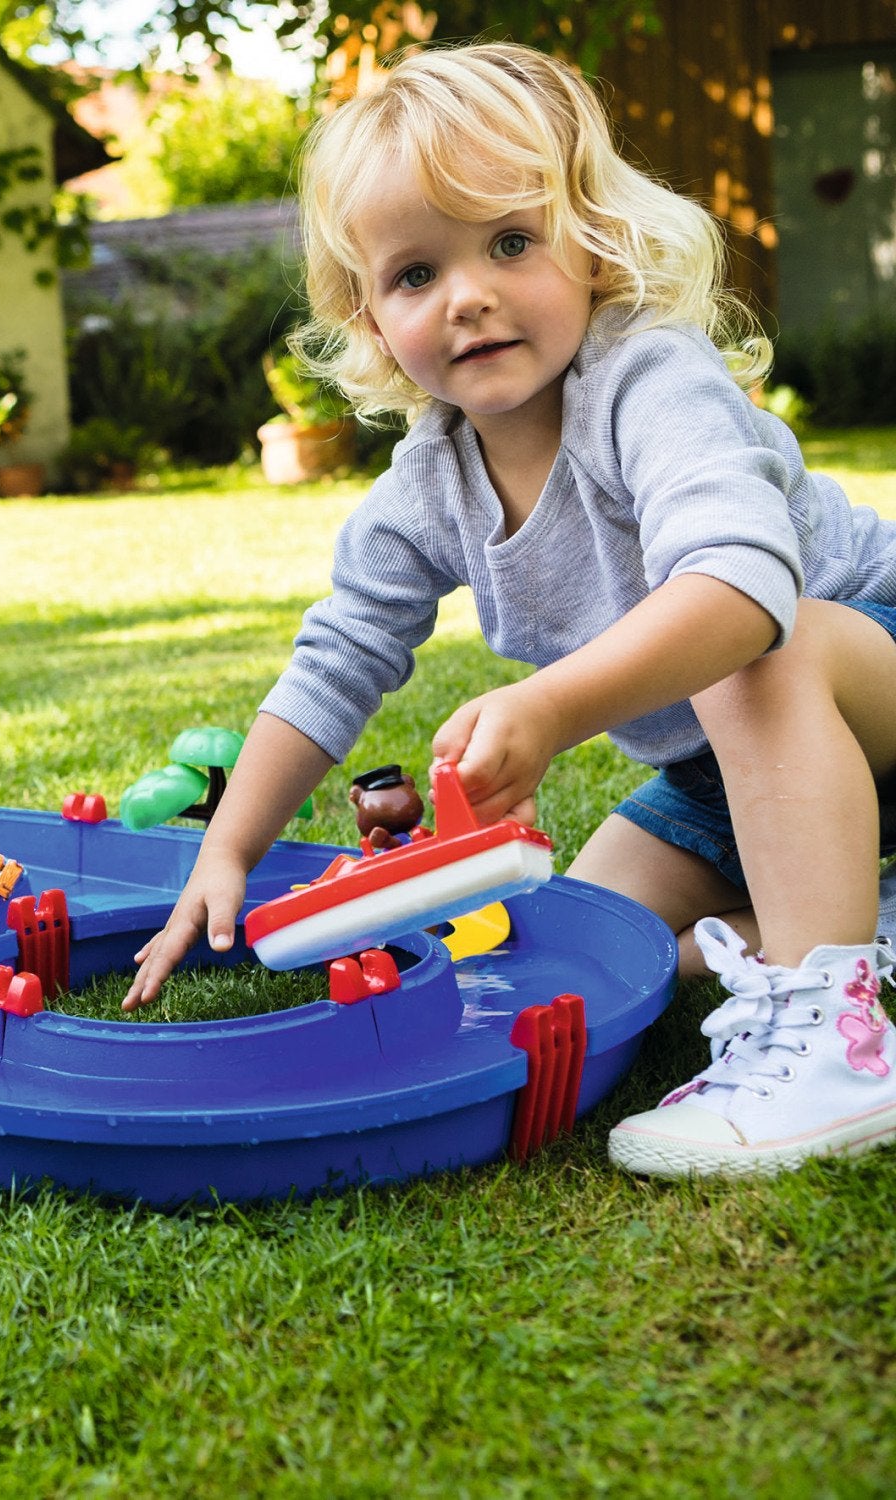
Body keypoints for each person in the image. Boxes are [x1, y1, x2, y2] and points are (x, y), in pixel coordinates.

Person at [123, 42, 896, 1179]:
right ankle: (847, 917)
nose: (467, 294)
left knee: (749, 653)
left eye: (508, 243)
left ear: (589, 239)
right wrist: (227, 848)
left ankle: (838, 1039)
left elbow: (738, 594)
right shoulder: (426, 485)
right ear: (369, 316)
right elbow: (338, 653)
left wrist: (546, 709)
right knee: (576, 946)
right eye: (413, 274)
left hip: (855, 682)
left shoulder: (649, 381)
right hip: (721, 782)